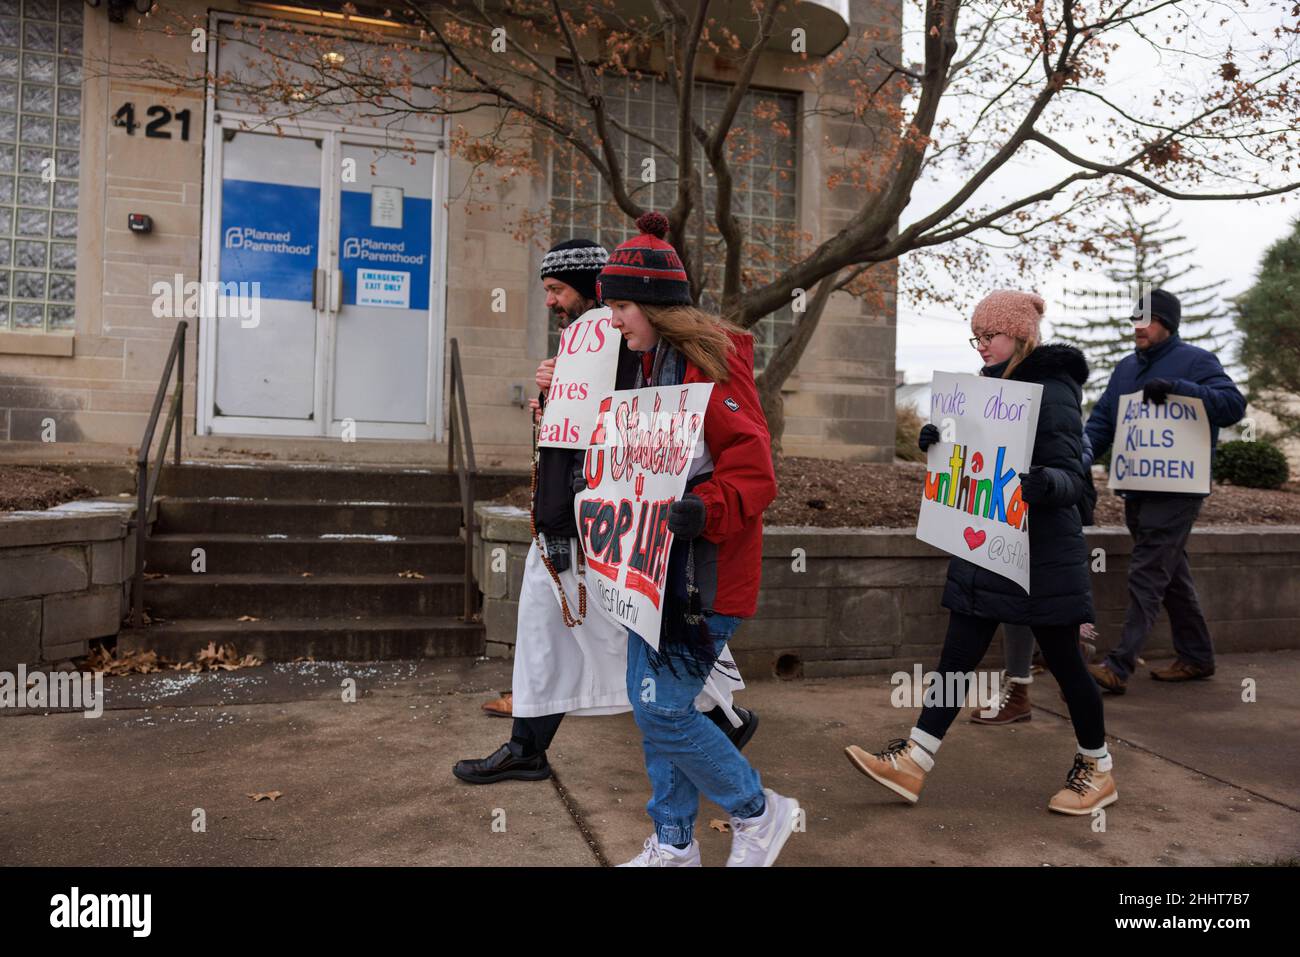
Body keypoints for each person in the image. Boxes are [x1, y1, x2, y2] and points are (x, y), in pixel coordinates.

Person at [452, 238, 756, 786]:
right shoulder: (593, 346)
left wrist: (700, 508)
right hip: (582, 517)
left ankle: (728, 746)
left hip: (603, 523)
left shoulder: (642, 352)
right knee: (557, 631)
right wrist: (551, 404)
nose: (551, 302)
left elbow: (729, 456)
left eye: (557, 290)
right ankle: (533, 745)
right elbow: (573, 438)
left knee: (634, 644)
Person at [845, 290, 1116, 816]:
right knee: (956, 660)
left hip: (1041, 556)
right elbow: (975, 460)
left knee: (1065, 664)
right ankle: (914, 760)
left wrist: (1044, 483)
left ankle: (1097, 767)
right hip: (986, 545)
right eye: (977, 336)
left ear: (1021, 334)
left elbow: (1073, 478)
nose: (982, 346)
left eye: (990, 335)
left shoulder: (1053, 389)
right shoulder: (984, 391)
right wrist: (939, 443)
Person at [589, 212, 800, 866]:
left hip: (701, 579)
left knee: (659, 712)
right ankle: (675, 844)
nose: (614, 319)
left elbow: (756, 471)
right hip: (649, 573)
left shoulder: (711, 368)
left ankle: (759, 811)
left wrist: (701, 509)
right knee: (657, 707)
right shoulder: (646, 367)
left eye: (621, 305)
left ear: (654, 306)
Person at [1082, 288, 1246, 694]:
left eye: (1147, 319)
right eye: (1135, 318)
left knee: (1147, 573)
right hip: (1137, 489)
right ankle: (1197, 657)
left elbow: (1232, 405)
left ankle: (1119, 665)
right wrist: (1076, 457)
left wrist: (1180, 388)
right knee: (1169, 574)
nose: (1138, 326)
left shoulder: (1196, 361)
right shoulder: (1124, 369)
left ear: (1167, 323)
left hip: (1177, 492)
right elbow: (1102, 422)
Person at [971, 433, 1100, 726]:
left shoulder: (1047, 389)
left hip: (1048, 511)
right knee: (1016, 596)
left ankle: (1030, 683)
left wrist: (1050, 475)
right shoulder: (999, 388)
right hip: (1005, 504)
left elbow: (1082, 446)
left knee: (1026, 597)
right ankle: (1061, 660)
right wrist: (938, 442)